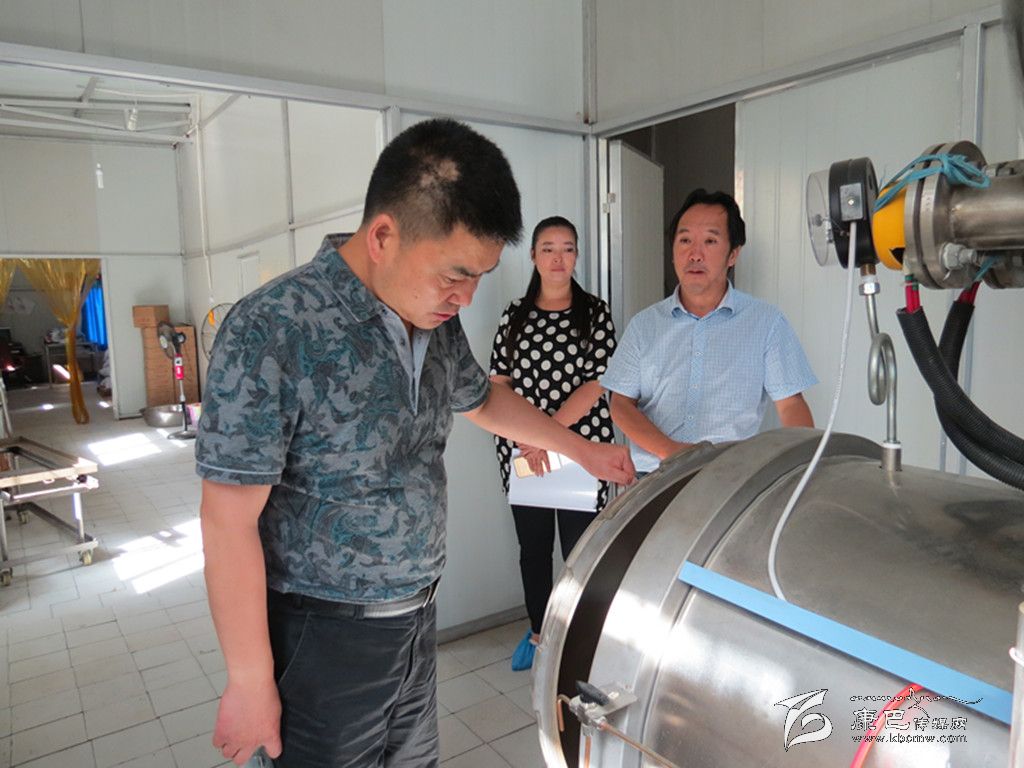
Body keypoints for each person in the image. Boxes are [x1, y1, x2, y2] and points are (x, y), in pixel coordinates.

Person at [196, 119, 635, 768]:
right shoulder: (274, 329)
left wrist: (582, 449)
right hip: (318, 637)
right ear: (383, 237)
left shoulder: (432, 319)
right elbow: (226, 519)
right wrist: (249, 679)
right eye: (455, 274)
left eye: (481, 276)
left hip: (414, 622)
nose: (467, 297)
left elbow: (482, 400)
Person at [602, 188, 815, 473]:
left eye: (710, 241)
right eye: (685, 240)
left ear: (733, 254)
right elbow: (620, 404)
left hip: (730, 478)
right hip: (655, 476)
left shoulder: (766, 323)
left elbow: (791, 405)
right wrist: (672, 452)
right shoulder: (644, 325)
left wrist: (801, 470)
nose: (695, 254)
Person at [488, 216, 617, 671]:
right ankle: (540, 634)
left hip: (581, 448)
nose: (558, 258)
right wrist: (530, 439)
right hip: (525, 452)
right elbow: (498, 384)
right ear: (533, 256)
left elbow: (598, 383)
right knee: (534, 549)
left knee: (581, 551)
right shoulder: (514, 315)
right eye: (548, 248)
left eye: (566, 248)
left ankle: (580, 640)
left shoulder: (595, 312)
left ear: (576, 255)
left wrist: (548, 434)